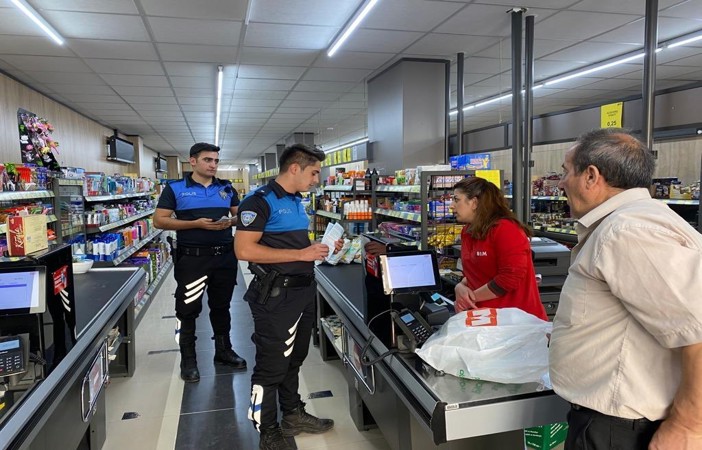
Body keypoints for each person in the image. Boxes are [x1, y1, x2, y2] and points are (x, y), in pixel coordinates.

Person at [549, 128, 702, 450]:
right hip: (615, 423)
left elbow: (698, 332)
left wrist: (688, 425)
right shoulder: (630, 222)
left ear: (591, 176)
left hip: (620, 431)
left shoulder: (628, 232)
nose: (561, 183)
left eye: (565, 172)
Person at [235, 144, 342, 450]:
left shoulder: (297, 201)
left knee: (293, 359)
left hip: (302, 290)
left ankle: (293, 415)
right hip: (276, 296)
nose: (317, 179)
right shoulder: (259, 202)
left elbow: (291, 243)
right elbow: (243, 250)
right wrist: (300, 252)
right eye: (314, 172)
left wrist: (319, 248)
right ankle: (266, 429)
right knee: (271, 366)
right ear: (295, 168)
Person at [154, 142, 246, 383]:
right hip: (192, 259)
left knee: (221, 305)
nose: (213, 165)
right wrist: (195, 224)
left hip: (225, 257)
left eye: (216, 160)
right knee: (188, 308)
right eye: (208, 160)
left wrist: (231, 222)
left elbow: (243, 217)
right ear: (193, 161)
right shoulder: (175, 189)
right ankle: (189, 359)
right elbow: (159, 221)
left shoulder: (226, 188)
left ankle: (223, 351)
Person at [452, 176, 547, 320]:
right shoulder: (468, 231)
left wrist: (470, 299)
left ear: (474, 202)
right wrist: (460, 286)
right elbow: (478, 272)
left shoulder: (506, 229)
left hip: (517, 322)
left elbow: (510, 278)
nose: (451, 206)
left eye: (456, 200)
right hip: (485, 318)